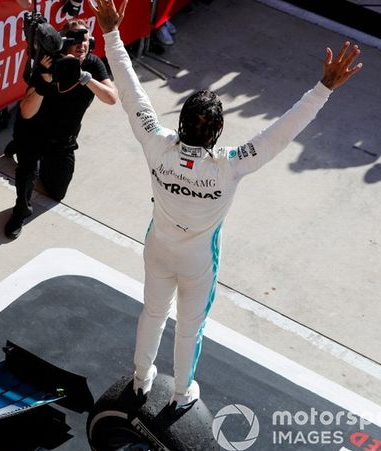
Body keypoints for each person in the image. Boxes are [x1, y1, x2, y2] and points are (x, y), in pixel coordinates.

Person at [89, 0, 363, 408]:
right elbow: (281, 133)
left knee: (152, 314)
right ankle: (181, 396)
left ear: (180, 121)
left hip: (158, 249)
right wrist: (322, 88)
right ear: (218, 131)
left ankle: (141, 379)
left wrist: (111, 32)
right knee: (189, 329)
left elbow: (130, 90)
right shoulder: (230, 165)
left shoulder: (155, 143)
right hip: (198, 262)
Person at [4, 19, 118, 239]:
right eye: (74, 39)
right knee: (27, 172)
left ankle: (28, 153)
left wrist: (85, 78)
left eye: (84, 38)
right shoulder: (46, 63)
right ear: (63, 42)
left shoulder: (93, 64)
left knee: (57, 192)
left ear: (90, 41)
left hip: (62, 139)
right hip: (33, 131)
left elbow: (111, 98)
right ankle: (21, 209)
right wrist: (45, 80)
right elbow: (27, 112)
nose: (80, 44)